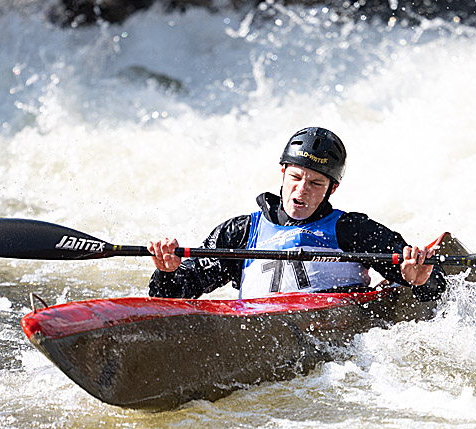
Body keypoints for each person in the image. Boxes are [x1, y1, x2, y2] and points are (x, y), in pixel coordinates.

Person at [148, 127, 446, 301]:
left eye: (316, 183)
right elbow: (174, 295)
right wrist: (167, 271)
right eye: (295, 177)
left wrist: (419, 280)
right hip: (251, 327)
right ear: (282, 172)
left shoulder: (352, 230)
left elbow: (431, 289)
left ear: (333, 189)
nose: (301, 191)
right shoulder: (239, 233)